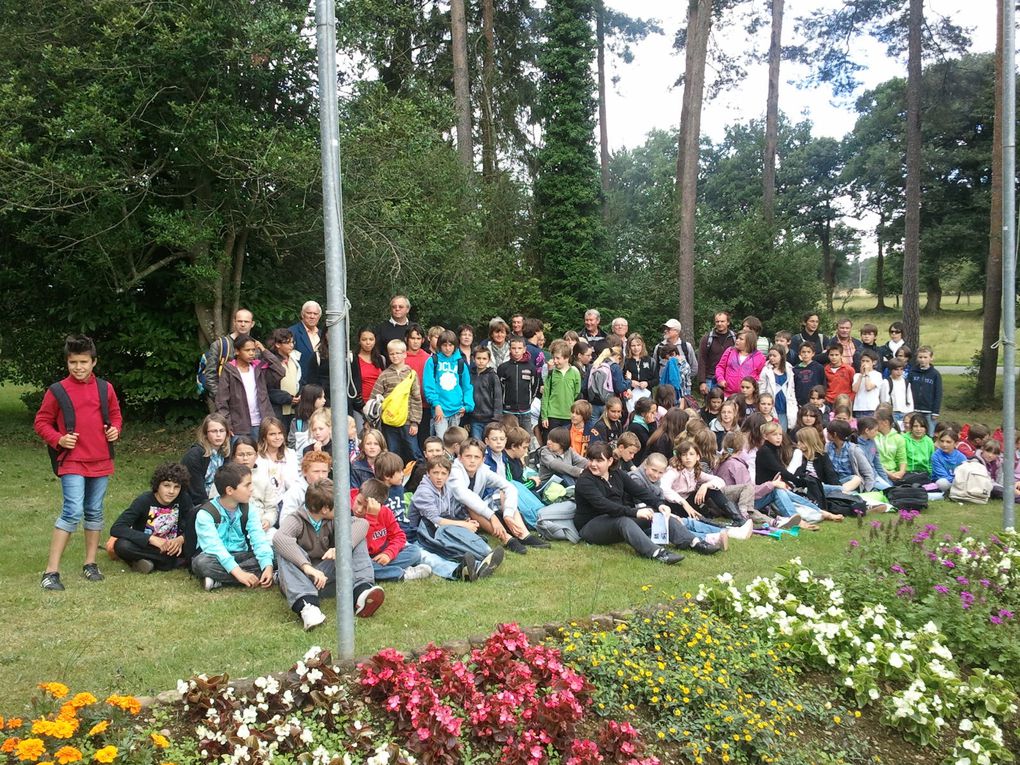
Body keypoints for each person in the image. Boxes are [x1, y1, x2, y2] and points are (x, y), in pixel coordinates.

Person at [35, 334, 123, 591]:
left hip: (101, 460)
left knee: (94, 511)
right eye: (73, 362)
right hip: (72, 460)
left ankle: (90, 564)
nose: (79, 367)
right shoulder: (57, 390)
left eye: (84, 362)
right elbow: (41, 422)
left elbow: (116, 415)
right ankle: (51, 572)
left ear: (94, 362)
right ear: (67, 363)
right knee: (72, 511)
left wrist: (115, 429)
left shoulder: (105, 388)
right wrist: (59, 439)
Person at [273, 478, 383, 630]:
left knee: (356, 539)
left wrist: (341, 548)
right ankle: (308, 606)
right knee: (284, 550)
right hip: (300, 579)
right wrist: (307, 567)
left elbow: (361, 524)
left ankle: (361, 593)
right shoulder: (296, 519)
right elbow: (279, 538)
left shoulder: (333, 519)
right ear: (325, 508)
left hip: (325, 577)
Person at [572, 442, 686, 564]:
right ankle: (657, 553)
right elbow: (604, 505)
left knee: (656, 513)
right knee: (624, 521)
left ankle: (692, 542)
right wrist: (635, 512)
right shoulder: (585, 481)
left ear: (610, 461)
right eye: (591, 460)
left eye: (599, 460)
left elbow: (639, 491)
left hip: (615, 518)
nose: (593, 464)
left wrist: (659, 504)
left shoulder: (617, 474)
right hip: (591, 526)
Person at [408, 455, 505, 581]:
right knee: (448, 538)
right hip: (420, 535)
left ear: (448, 475)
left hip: (436, 531)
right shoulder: (424, 492)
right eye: (435, 473)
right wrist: (463, 525)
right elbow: (436, 520)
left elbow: (452, 512)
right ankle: (479, 560)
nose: (439, 477)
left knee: (458, 532)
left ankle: (482, 559)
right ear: (428, 473)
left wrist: (465, 521)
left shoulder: (446, 488)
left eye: (443, 473)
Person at [448, 439, 547, 553]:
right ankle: (507, 539)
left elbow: (509, 487)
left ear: (483, 460)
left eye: (476, 457)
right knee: (470, 505)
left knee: (503, 492)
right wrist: (492, 517)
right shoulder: (455, 471)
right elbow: (463, 495)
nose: (472, 460)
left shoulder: (483, 470)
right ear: (460, 457)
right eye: (468, 456)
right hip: (456, 516)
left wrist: (508, 515)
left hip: (477, 516)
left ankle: (523, 534)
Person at [190, 462, 275, 592]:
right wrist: (239, 574)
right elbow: (215, 548)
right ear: (229, 490)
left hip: (242, 554)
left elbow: (258, 538)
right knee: (201, 563)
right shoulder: (206, 514)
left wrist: (267, 566)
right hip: (215, 558)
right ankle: (253, 576)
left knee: (275, 555)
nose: (252, 488)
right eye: (247, 485)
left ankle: (218, 580)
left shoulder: (249, 508)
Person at [108, 462, 193, 574]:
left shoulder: (183, 499)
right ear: (157, 485)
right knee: (122, 545)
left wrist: (181, 539)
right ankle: (170, 563)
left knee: (196, 544)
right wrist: (151, 539)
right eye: (167, 485)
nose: (172, 491)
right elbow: (117, 528)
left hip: (173, 547)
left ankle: (148, 562)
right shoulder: (144, 500)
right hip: (147, 546)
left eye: (176, 487)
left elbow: (194, 524)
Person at [354, 478, 432, 581]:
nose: (359, 510)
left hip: (381, 554)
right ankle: (401, 574)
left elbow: (399, 536)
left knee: (415, 551)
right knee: (359, 568)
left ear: (379, 506)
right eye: (358, 502)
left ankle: (387, 569)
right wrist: (371, 518)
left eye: (366, 507)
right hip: (362, 559)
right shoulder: (350, 516)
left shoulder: (385, 512)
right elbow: (362, 546)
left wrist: (388, 554)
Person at [215, 333, 283, 440]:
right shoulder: (229, 370)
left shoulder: (259, 367)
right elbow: (222, 400)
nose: (252, 353)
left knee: (263, 455)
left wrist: (264, 350)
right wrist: (227, 423)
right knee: (242, 454)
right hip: (239, 426)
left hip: (263, 423)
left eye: (253, 350)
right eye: (247, 350)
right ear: (237, 351)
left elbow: (280, 371)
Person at [370, 339, 424, 462]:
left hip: (407, 421)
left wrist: (415, 421)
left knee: (414, 451)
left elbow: (416, 399)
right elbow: (375, 398)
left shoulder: (411, 374)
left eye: (398, 353)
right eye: (392, 354)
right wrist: (370, 420)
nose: (395, 356)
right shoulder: (384, 375)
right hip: (389, 421)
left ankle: (419, 476)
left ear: (405, 354)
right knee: (392, 451)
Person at [423, 329, 474, 440]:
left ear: (455, 346)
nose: (447, 348)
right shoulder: (433, 361)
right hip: (440, 409)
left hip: (457, 409)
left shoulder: (460, 362)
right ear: (439, 345)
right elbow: (428, 385)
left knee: (454, 441)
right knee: (441, 440)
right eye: (444, 345)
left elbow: (467, 386)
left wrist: (468, 405)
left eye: (450, 345)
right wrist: (436, 405)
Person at [201, 308, 256, 410]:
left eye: (246, 321)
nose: (243, 324)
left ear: (252, 324)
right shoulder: (219, 345)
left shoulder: (256, 346)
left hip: (250, 403)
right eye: (240, 321)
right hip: (225, 403)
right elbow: (210, 375)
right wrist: (221, 399)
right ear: (234, 322)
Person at [181, 414, 232, 508]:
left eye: (222, 431)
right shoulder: (194, 455)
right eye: (213, 431)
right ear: (205, 434)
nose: (218, 435)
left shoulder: (225, 453)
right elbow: (195, 492)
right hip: (196, 504)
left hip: (220, 499)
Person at [497, 335, 539, 433]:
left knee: (526, 438)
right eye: (514, 348)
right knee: (509, 437)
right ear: (509, 349)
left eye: (519, 348)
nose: (516, 351)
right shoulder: (503, 368)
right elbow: (499, 388)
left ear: (524, 349)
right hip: (508, 411)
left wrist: (528, 402)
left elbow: (534, 386)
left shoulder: (531, 368)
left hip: (525, 411)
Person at [264, 328, 302, 433]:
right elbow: (268, 388)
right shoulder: (271, 362)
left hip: (294, 408)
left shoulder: (294, 358)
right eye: (287, 342)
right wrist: (287, 398)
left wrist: (299, 395)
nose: (291, 345)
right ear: (277, 344)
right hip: (278, 409)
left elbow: (299, 380)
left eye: (292, 342)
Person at [541, 339, 581, 433]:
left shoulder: (575, 372)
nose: (555, 361)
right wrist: (544, 416)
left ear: (566, 358)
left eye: (558, 358)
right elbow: (546, 395)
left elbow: (576, 392)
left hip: (568, 415)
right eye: (554, 358)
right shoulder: (551, 373)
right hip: (553, 415)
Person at [280, 450, 333, 523]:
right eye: (316, 471)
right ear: (304, 472)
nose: (321, 476)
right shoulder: (295, 492)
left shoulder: (331, 490)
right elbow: (285, 521)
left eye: (324, 471)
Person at [350, 327, 385, 431]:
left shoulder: (381, 359)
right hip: (360, 407)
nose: (368, 343)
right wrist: (362, 407)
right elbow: (351, 385)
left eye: (371, 339)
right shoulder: (353, 359)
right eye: (364, 339)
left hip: (378, 407)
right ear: (359, 341)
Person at [825, 420, 875, 493]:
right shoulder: (828, 447)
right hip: (832, 482)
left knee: (856, 479)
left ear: (834, 434)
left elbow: (868, 473)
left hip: (850, 485)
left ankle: (839, 492)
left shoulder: (854, 450)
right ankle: (837, 491)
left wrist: (867, 491)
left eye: (828, 432)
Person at [714, 329, 765, 397]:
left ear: (749, 342)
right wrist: (720, 379)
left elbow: (761, 376)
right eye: (737, 338)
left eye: (741, 339)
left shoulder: (760, 357)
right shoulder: (730, 351)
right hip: (728, 394)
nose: (737, 340)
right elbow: (720, 367)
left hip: (748, 397)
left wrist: (752, 385)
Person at [468, 345, 503, 439]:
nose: (481, 361)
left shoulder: (492, 376)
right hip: (474, 417)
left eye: (484, 358)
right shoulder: (470, 375)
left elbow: (498, 397)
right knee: (477, 442)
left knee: (490, 443)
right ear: (473, 358)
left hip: (490, 418)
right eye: (478, 358)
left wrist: (496, 417)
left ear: (488, 360)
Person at [758, 346, 797, 432]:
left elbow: (791, 388)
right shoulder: (766, 370)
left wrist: (793, 403)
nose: (771, 358)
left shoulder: (788, 369)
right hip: (772, 404)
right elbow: (762, 388)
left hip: (785, 404)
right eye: (770, 355)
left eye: (774, 356)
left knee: (782, 432)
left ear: (781, 356)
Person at [697, 312, 736, 395]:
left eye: (722, 321)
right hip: (710, 378)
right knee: (711, 405)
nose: (719, 324)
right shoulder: (707, 339)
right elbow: (701, 360)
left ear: (728, 322)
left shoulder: (735, 339)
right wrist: (702, 382)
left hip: (728, 378)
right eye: (717, 321)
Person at [907, 346, 942, 436]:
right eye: (920, 357)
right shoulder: (912, 372)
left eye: (925, 357)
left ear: (931, 358)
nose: (923, 360)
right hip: (914, 408)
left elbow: (938, 393)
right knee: (914, 431)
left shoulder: (935, 374)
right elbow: (907, 389)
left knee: (929, 432)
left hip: (929, 410)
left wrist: (935, 411)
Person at [289, 301, 323, 385]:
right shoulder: (291, 332)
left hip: (321, 385)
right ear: (302, 314)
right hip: (301, 384)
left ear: (319, 316)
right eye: (309, 313)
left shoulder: (323, 335)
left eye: (315, 314)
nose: (312, 316)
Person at [874, 406, 909, 484]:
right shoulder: (873, 436)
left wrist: (901, 472)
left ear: (885, 422)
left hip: (893, 473)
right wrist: (888, 474)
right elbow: (872, 460)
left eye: (876, 421)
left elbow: (902, 459)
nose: (873, 423)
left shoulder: (899, 438)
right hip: (876, 471)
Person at [931, 429, 967, 494]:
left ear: (955, 443)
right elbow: (942, 475)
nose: (944, 444)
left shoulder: (961, 457)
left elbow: (964, 474)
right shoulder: (936, 456)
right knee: (942, 483)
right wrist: (957, 482)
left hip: (958, 482)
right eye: (942, 441)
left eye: (948, 442)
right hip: (943, 481)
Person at [851, 351, 883, 418]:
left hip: (872, 408)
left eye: (867, 361)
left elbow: (868, 387)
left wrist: (867, 373)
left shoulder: (877, 375)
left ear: (874, 362)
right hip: (858, 408)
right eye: (863, 361)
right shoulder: (857, 375)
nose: (864, 363)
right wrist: (861, 375)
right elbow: (854, 389)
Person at [904, 413, 935, 478]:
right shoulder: (903, 439)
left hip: (925, 475)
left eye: (922, 426)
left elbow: (931, 461)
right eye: (915, 426)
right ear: (911, 427)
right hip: (907, 474)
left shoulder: (929, 441)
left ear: (926, 428)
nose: (918, 429)